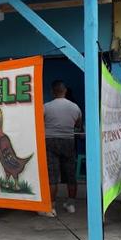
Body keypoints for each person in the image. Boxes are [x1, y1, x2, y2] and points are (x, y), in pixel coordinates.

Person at [40, 80, 82, 217]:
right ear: (65, 91)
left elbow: (39, 123)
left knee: (52, 176)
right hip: (69, 142)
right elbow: (78, 125)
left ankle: (51, 207)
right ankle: (71, 205)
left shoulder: (46, 107)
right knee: (70, 174)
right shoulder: (75, 107)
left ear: (53, 91)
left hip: (50, 142)